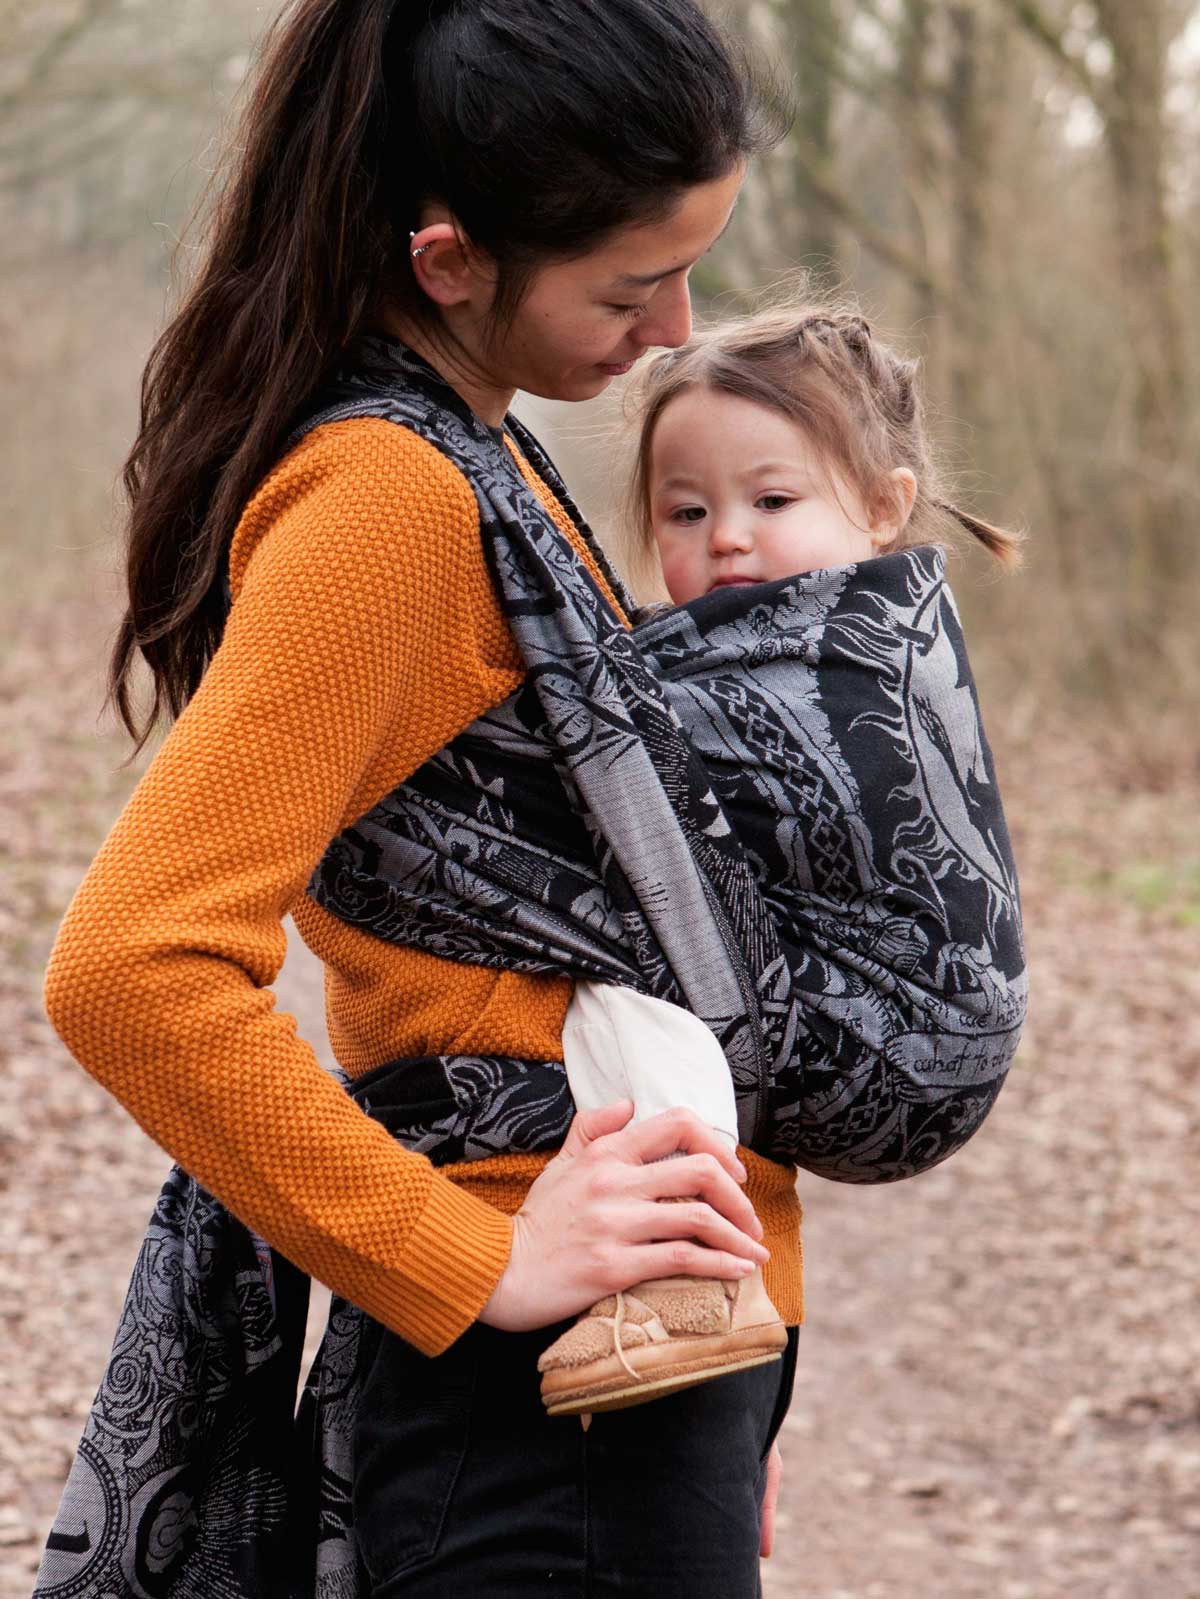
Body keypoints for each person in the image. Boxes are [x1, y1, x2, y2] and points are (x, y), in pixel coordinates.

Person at [33, 3, 800, 1598]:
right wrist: (483, 1255)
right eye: (629, 284)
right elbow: (131, 964)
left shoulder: (484, 460)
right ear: (451, 260)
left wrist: (733, 1367)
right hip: (539, 1393)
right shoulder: (391, 500)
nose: (675, 327)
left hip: (628, 1364)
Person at [531, 301, 1027, 1412]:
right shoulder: (794, 631)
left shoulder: (843, 656)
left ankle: (683, 1289)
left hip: (903, 1032)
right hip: (890, 1019)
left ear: (885, 508)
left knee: (630, 1005)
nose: (728, 539)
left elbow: (607, 744)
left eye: (772, 500)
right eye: (686, 510)